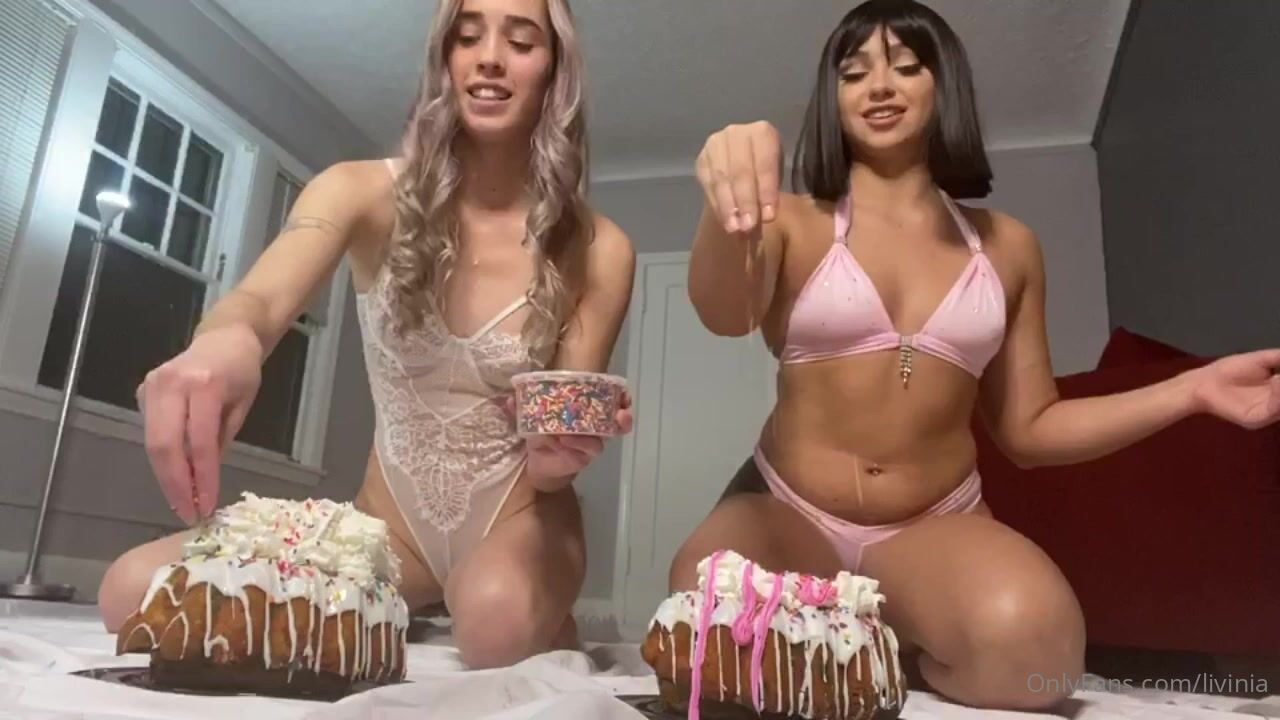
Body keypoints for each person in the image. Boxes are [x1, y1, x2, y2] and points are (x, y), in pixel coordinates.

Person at [672, 0, 1280, 711]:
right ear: (831, 99)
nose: (879, 86)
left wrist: (1193, 390)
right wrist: (729, 207)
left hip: (932, 525)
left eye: (906, 66)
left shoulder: (1008, 246)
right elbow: (724, 314)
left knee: (1039, 656)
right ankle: (855, 644)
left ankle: (885, 650)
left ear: (945, 85)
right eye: (854, 72)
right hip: (788, 511)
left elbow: (1031, 429)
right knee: (703, 633)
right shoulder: (792, 221)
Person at [97, 0, 636, 670]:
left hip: (527, 516)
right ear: (445, 58)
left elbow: (561, 440)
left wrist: (559, 459)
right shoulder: (356, 190)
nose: (490, 57)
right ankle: (413, 598)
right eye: (468, 36)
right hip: (389, 530)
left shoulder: (602, 248)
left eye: (521, 42)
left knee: (494, 625)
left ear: (555, 70)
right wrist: (226, 340)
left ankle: (530, 609)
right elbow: (261, 299)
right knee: (132, 592)